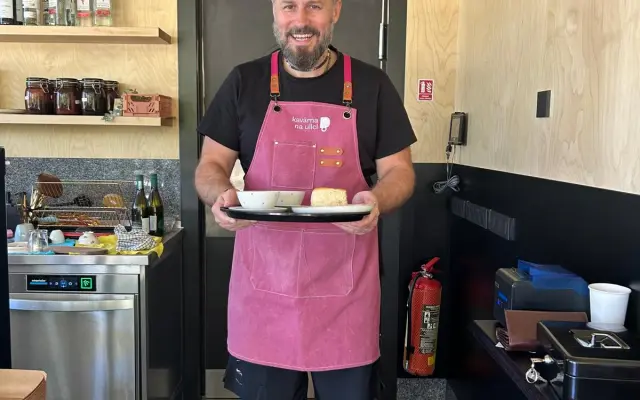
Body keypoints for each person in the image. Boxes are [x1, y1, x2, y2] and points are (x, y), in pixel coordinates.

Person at [195, 0, 416, 398]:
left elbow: (400, 172)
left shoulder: (372, 85)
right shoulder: (244, 82)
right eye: (289, 6)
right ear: (274, 11)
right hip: (264, 294)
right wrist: (220, 194)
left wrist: (377, 200)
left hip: (346, 293)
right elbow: (210, 165)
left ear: (335, 10)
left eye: (314, 6)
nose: (300, 20)